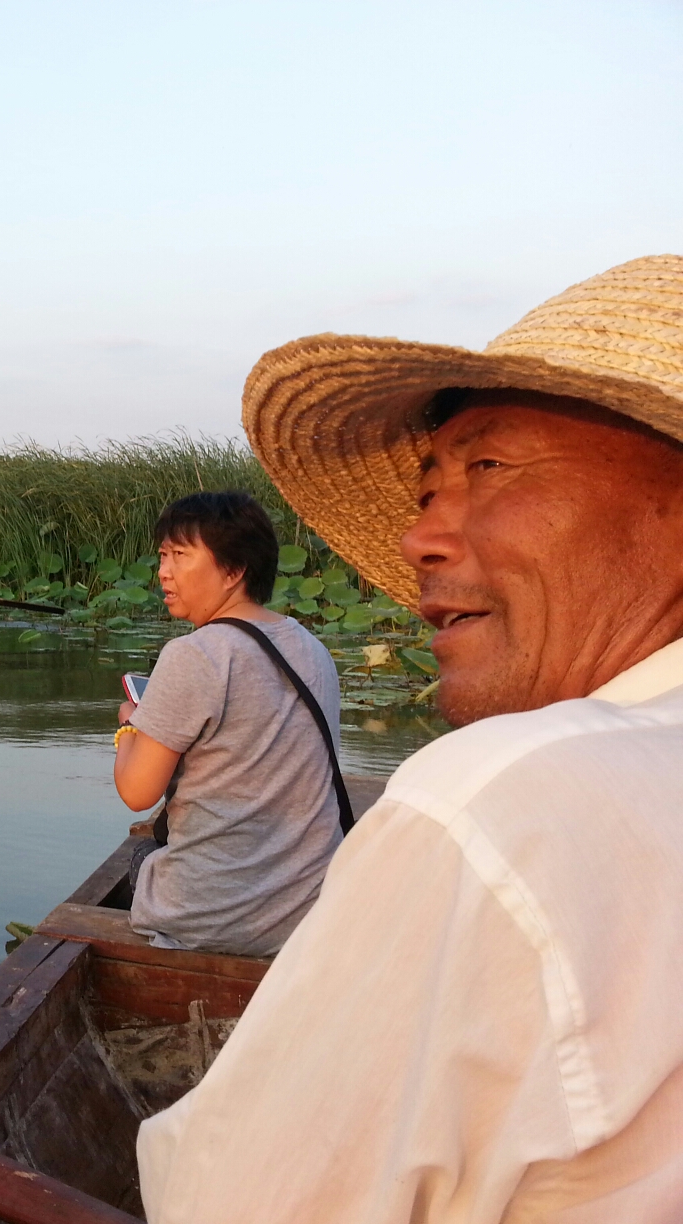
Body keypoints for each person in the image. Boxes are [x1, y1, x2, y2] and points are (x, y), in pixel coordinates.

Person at [135, 255, 683, 1223]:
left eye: (490, 466)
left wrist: (130, 734)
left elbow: (228, 1203)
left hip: (206, 920)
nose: (419, 539)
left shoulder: (498, 802)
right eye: (432, 488)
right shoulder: (302, 641)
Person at [113, 491, 342, 957]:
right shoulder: (311, 647)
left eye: (181, 555)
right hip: (309, 914)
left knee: (140, 859)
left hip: (212, 922)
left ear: (234, 571)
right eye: (162, 555)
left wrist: (129, 728)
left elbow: (137, 793)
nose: (163, 572)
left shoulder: (194, 654)